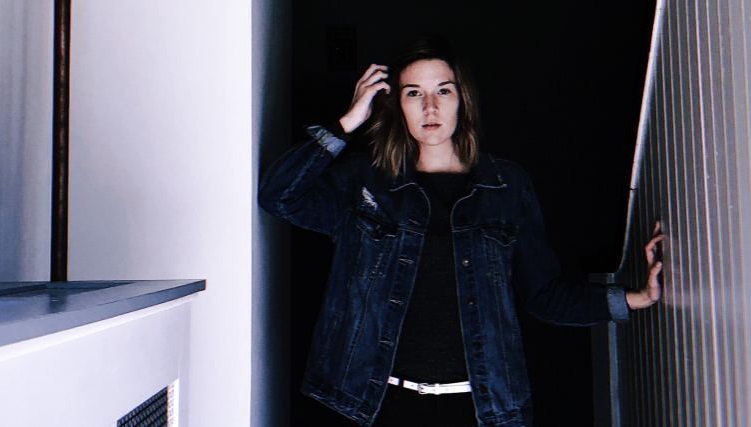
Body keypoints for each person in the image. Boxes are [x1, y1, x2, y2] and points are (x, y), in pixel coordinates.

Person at [259, 36, 665, 427]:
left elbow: (544, 295)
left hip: (480, 408)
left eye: (444, 91)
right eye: (413, 93)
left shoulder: (506, 186)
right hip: (374, 404)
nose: (430, 106)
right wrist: (348, 121)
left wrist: (635, 298)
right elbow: (279, 197)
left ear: (462, 101)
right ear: (397, 105)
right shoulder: (367, 184)